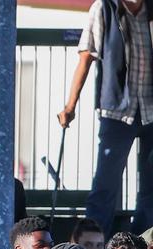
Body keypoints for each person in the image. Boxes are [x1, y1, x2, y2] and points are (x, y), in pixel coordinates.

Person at [61, 0, 153, 235]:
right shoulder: (104, 8)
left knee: (151, 188)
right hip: (116, 112)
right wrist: (70, 106)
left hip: (151, 111)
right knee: (105, 185)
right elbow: (86, 59)